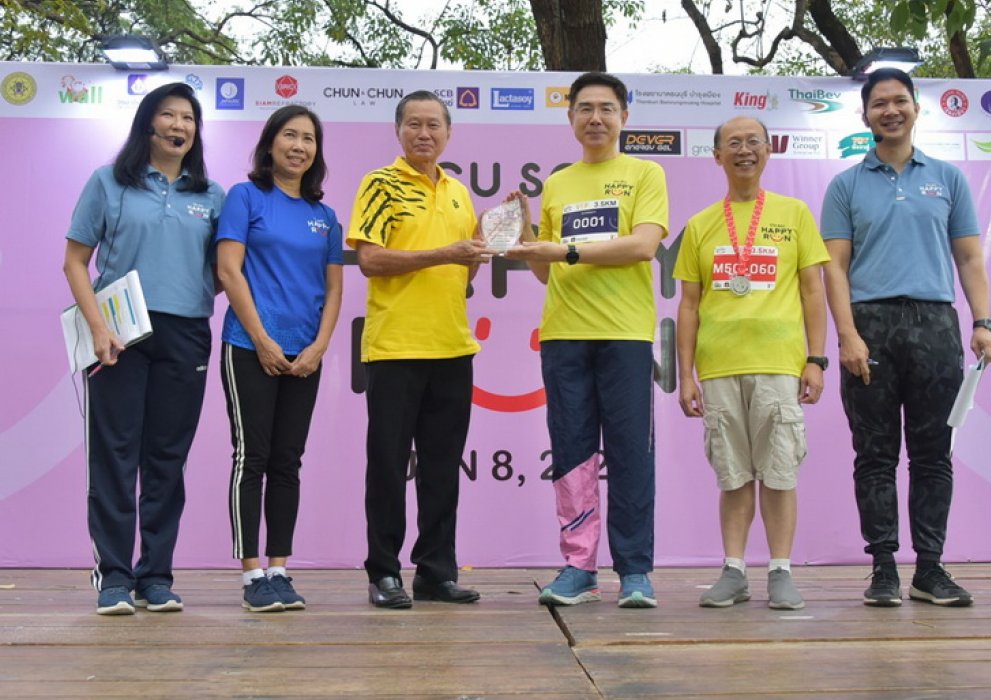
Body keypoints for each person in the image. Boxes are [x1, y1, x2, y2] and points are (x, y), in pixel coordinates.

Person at [820, 68, 991, 608]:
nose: (890, 111)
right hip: (869, 328)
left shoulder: (947, 179)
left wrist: (983, 321)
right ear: (865, 114)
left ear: (916, 108)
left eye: (900, 101)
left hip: (935, 326)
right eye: (880, 103)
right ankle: (882, 569)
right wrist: (848, 336)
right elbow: (834, 268)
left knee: (932, 455)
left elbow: (969, 257)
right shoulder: (845, 185)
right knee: (873, 455)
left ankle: (929, 568)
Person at [505, 72, 668, 608]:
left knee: (629, 456)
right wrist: (529, 242)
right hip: (564, 337)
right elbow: (548, 274)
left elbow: (643, 246)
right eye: (584, 109)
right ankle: (578, 565)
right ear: (570, 116)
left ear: (624, 116)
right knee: (573, 453)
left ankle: (635, 570)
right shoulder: (557, 183)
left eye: (606, 108)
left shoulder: (646, 173)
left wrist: (566, 251)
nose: (595, 118)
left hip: (624, 335)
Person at [62, 83, 225, 615]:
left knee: (166, 458)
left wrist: (189, 291)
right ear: (147, 125)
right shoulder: (108, 182)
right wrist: (99, 327)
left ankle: (155, 576)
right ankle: (113, 575)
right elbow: (75, 262)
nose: (180, 126)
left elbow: (225, 273)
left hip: (187, 333)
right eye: (169, 115)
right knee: (114, 454)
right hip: (117, 334)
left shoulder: (212, 195)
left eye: (189, 118)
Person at [675, 116, 828, 610]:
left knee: (780, 470)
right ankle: (734, 570)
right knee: (733, 473)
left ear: (768, 151)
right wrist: (685, 375)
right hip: (719, 368)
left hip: (779, 364)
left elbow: (812, 291)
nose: (744, 150)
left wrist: (816, 359)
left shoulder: (795, 213)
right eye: (733, 143)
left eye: (754, 142)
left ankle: (781, 571)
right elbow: (689, 305)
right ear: (717, 156)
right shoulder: (700, 224)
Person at [347, 90, 490, 609]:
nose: (423, 133)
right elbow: (370, 260)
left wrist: (479, 247)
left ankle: (435, 572)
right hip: (395, 348)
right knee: (387, 465)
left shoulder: (457, 191)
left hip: (453, 346)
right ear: (398, 130)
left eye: (433, 125)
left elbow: (468, 265)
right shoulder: (379, 184)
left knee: (442, 466)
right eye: (414, 124)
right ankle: (383, 572)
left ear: (449, 133)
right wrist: (443, 254)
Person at [217, 106, 343, 613]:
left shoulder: (326, 216)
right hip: (250, 347)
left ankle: (279, 569)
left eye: (309, 139)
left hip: (305, 355)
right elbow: (229, 271)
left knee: (288, 462)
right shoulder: (245, 197)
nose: (299, 146)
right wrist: (263, 339)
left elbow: (334, 289)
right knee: (253, 458)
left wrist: (318, 346)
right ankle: (251, 576)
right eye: (289, 135)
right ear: (270, 143)